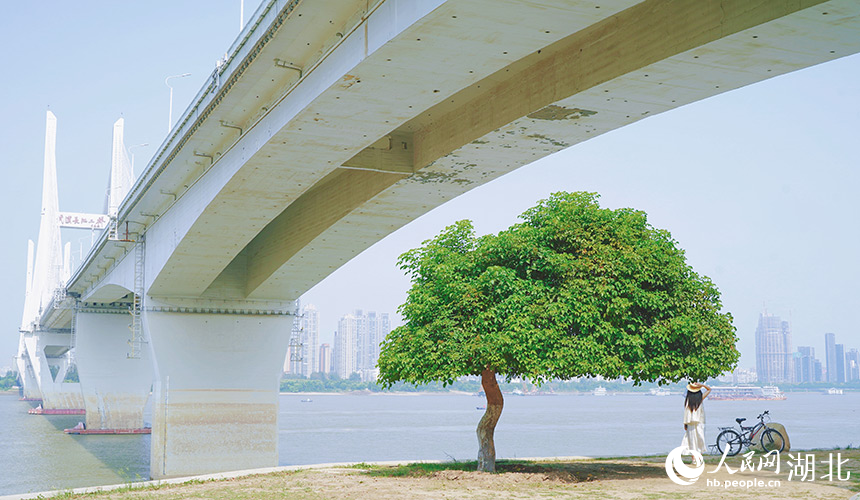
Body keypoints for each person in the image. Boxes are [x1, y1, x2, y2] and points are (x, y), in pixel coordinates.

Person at [682, 382, 711, 465]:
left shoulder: (688, 400)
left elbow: (686, 413)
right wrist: (701, 385)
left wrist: (685, 424)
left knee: (692, 440)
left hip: (690, 423)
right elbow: (709, 389)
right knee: (700, 439)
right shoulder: (700, 398)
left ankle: (694, 459)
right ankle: (699, 458)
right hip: (700, 422)